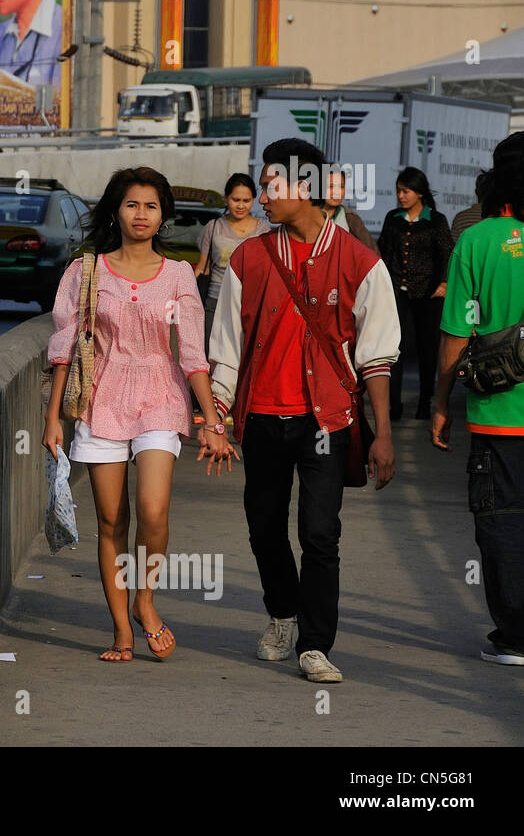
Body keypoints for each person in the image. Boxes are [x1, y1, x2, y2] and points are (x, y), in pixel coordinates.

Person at [209, 138, 400, 683]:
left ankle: (316, 644)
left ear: (306, 188)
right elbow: (227, 345)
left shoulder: (362, 262)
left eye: (272, 185)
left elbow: (378, 357)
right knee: (264, 526)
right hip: (263, 416)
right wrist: (216, 418)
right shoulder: (248, 257)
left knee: (320, 533)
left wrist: (383, 435)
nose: (261, 195)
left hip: (327, 420)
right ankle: (282, 613)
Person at [42, 166, 238, 664]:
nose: (141, 214)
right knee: (112, 521)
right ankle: (121, 631)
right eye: (132, 204)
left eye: (151, 206)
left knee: (152, 512)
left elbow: (193, 356)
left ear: (163, 215)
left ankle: (145, 602)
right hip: (101, 400)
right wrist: (52, 419)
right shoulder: (86, 271)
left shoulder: (177, 275)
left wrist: (213, 420)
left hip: (160, 397)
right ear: (116, 209)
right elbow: (65, 347)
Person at [432, 131, 524, 666]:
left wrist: (441, 402)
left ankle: (515, 636)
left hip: (498, 414)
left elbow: (456, 333)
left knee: (504, 521)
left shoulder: (479, 239)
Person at [377, 166, 453, 420]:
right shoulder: (393, 218)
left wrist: (443, 283)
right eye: (398, 191)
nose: (401, 196)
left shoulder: (436, 220)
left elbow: (446, 254)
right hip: (397, 290)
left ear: (419, 193)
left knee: (426, 348)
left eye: (406, 191)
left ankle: (424, 402)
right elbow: (384, 251)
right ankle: (394, 405)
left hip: (428, 294)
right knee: (394, 347)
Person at [194, 173, 270, 349]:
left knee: (243, 357)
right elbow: (202, 267)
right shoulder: (213, 227)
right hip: (215, 300)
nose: (241, 205)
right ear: (226, 198)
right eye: (236, 199)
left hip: (249, 304)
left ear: (253, 200)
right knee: (210, 354)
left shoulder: (263, 231)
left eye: (246, 200)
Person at [323, 166, 379, 255]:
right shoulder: (308, 215)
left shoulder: (350, 218)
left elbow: (372, 254)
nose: (336, 192)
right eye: (331, 186)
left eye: (341, 186)